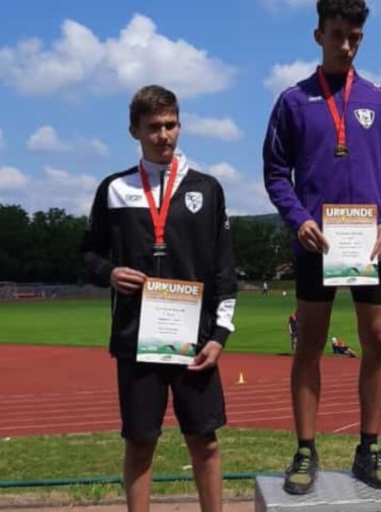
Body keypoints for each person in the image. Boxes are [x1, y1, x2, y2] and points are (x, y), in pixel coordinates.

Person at [263, 0, 381, 495]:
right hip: (317, 241)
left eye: (355, 37)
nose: (346, 46)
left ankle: (369, 447)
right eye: (337, 35)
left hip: (371, 241)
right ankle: (305, 449)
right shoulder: (293, 100)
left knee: (379, 340)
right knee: (309, 344)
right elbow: (275, 173)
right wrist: (298, 218)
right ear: (318, 35)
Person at [81, 85, 237, 512]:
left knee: (205, 442)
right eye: (153, 127)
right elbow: (88, 255)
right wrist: (109, 273)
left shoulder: (207, 189)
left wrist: (219, 335)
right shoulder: (114, 189)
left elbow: (224, 269)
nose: (163, 135)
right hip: (137, 338)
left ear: (180, 125)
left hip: (195, 340)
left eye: (171, 125)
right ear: (134, 131)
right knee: (140, 443)